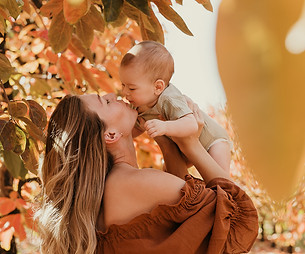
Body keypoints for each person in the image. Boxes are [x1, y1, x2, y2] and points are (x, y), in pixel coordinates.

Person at [36, 93, 258, 254]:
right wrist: (191, 144)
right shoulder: (130, 183)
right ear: (111, 134)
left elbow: (183, 220)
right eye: (105, 101)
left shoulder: (110, 189)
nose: (114, 94)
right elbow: (236, 221)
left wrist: (165, 141)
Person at [119, 40, 232, 173]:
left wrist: (165, 127)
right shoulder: (138, 105)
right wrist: (120, 135)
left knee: (221, 180)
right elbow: (137, 128)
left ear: (158, 87)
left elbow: (191, 125)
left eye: (131, 88)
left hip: (212, 140)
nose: (125, 92)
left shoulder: (169, 98)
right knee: (170, 174)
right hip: (182, 148)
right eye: (123, 85)